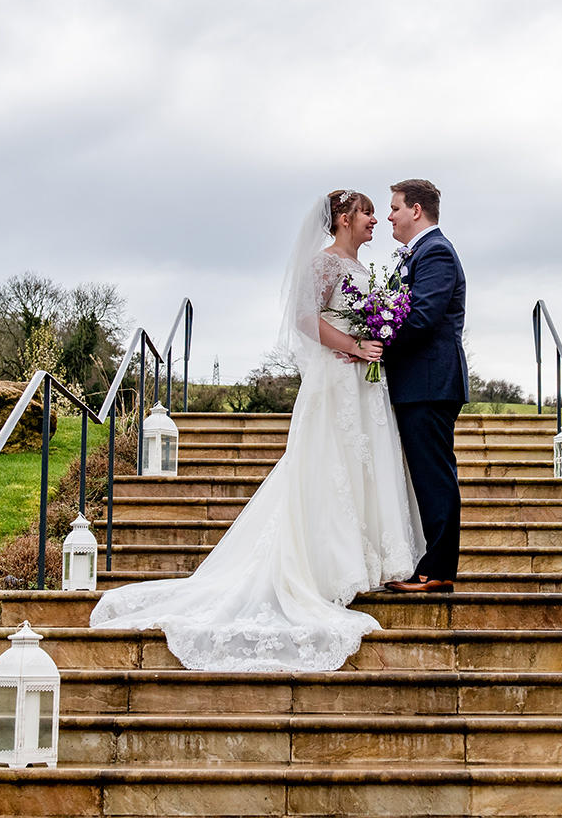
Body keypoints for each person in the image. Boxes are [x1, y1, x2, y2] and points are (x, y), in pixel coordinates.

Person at [89, 189, 425, 671]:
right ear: (344, 218)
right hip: (336, 379)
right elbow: (305, 319)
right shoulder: (324, 264)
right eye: (368, 212)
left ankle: (368, 557)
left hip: (364, 381)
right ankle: (330, 563)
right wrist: (354, 345)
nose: (375, 220)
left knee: (363, 461)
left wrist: (376, 337)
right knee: (328, 463)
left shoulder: (365, 271)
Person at [381, 179, 469, 594]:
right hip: (417, 383)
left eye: (395, 207)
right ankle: (431, 565)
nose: (388, 216)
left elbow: (422, 318)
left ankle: (438, 571)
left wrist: (373, 341)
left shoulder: (435, 252)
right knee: (427, 474)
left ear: (416, 210)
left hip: (429, 383)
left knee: (434, 475)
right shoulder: (417, 254)